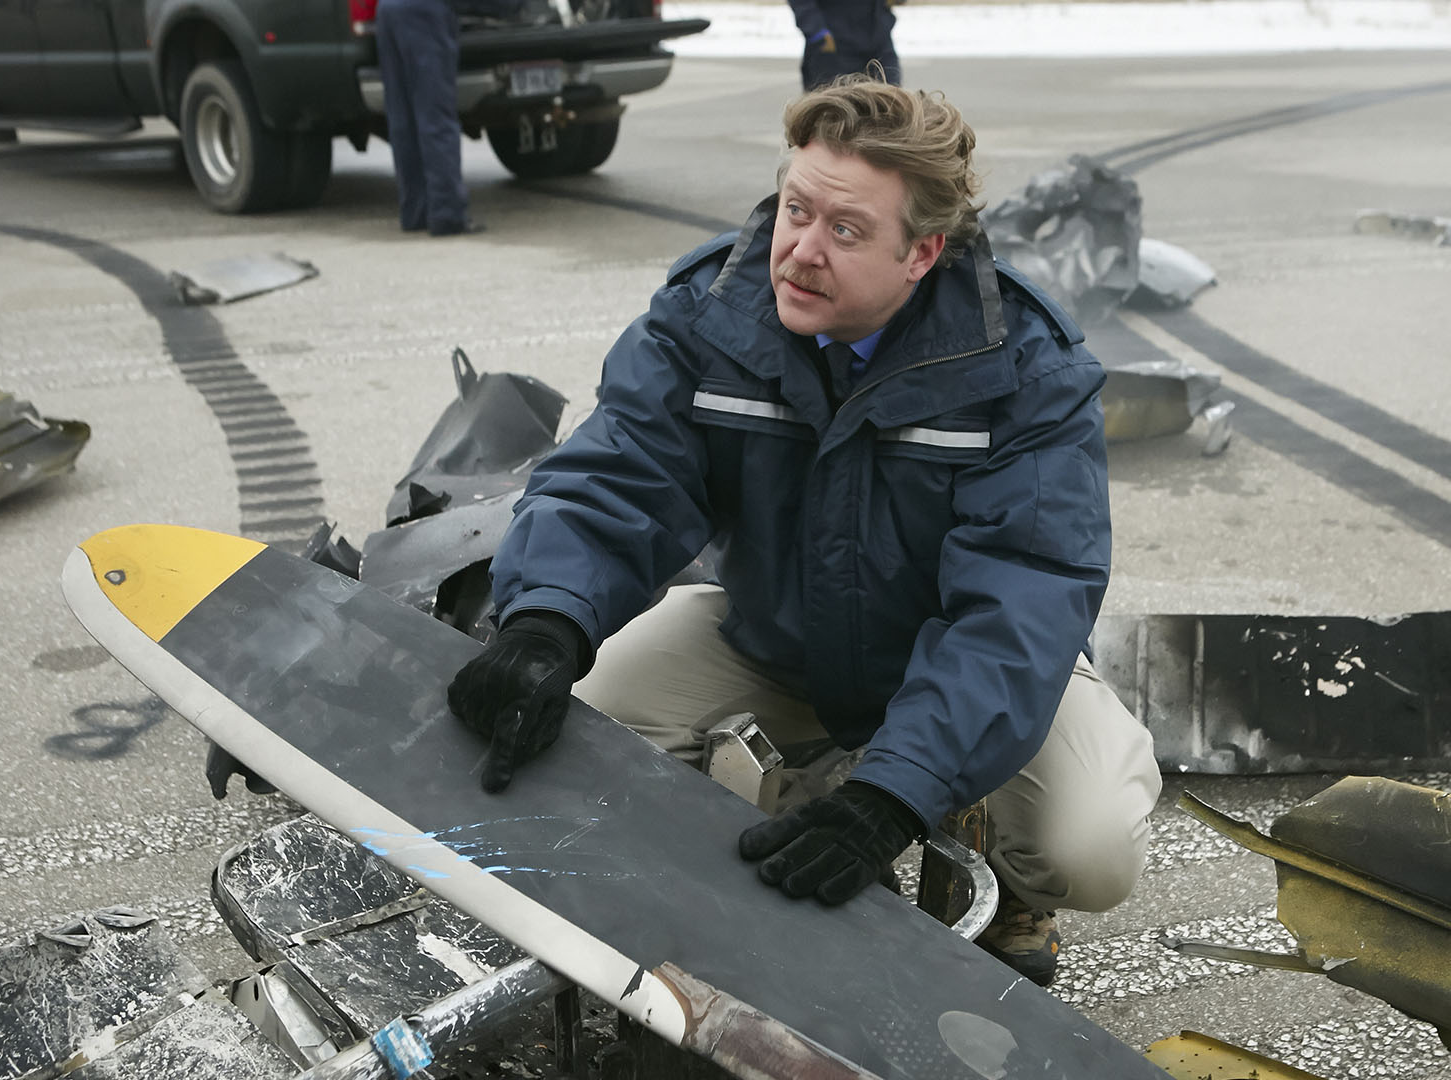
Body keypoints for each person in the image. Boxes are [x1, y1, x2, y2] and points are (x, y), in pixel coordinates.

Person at [445, 75, 1160, 988]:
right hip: (774, 640)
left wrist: (890, 800)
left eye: (847, 230)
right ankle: (771, 825)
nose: (799, 252)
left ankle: (993, 861)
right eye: (795, 209)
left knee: (1088, 843)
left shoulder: (1023, 367)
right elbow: (619, 472)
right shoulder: (710, 315)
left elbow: (1018, 604)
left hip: (960, 661)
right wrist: (545, 621)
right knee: (582, 719)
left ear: (922, 253)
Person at [375, 0, 482, 236]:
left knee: (403, 118)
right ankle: (448, 216)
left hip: (388, 11)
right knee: (436, 116)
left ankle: (415, 213)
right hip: (425, 11)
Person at [787, 0, 900, 90]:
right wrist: (816, 31)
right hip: (833, 46)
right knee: (832, 109)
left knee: (890, 102)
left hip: (878, 39)